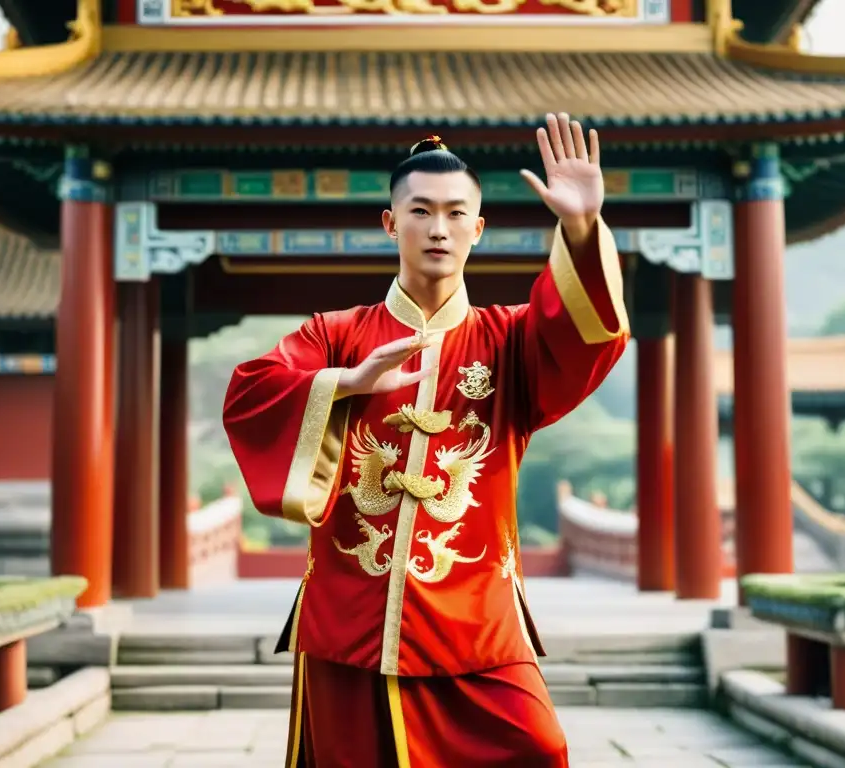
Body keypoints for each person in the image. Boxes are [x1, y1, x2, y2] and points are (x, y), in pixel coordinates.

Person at [223, 112, 630, 768]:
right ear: (391, 223)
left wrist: (581, 229)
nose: (438, 228)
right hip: (352, 616)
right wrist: (345, 383)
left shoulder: (510, 341)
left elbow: (588, 336)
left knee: (538, 744)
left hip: (477, 617)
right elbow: (251, 391)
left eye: (454, 213)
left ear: (478, 227)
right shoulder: (335, 333)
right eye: (420, 210)